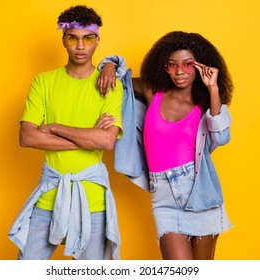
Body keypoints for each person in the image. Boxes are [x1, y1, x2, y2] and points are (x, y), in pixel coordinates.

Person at [98, 31, 233, 260]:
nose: (179, 72)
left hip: (199, 192)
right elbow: (117, 82)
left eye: (188, 65)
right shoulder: (154, 92)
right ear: (164, 66)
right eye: (172, 65)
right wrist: (109, 65)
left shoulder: (203, 104)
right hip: (164, 198)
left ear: (201, 66)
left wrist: (213, 89)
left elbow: (221, 136)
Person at [8, 5, 124, 260]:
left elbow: (106, 141)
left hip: (92, 198)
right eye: (73, 38)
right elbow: (27, 137)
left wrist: (55, 128)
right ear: (64, 40)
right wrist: (88, 138)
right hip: (49, 193)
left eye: (87, 38)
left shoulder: (111, 86)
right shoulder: (43, 81)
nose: (80, 46)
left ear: (97, 41)